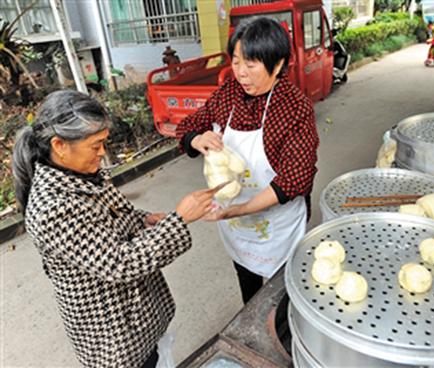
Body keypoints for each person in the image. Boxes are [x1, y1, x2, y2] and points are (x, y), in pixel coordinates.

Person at [12, 90, 216, 367]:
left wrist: (144, 220)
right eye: (95, 145)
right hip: (113, 334)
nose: (102, 152)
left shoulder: (81, 173)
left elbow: (111, 216)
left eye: (103, 142)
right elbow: (119, 263)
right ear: (59, 145)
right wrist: (178, 220)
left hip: (134, 315)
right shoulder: (52, 208)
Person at [176, 18, 319, 304]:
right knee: (247, 282)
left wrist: (236, 210)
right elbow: (189, 125)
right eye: (236, 62)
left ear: (277, 65)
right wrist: (197, 139)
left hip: (278, 222)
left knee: (284, 290)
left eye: (251, 64)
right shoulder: (229, 93)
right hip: (236, 224)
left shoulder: (294, 109)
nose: (241, 73)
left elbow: (294, 179)